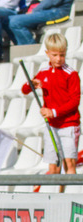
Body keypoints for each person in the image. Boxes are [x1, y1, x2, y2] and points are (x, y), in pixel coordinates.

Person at [22, 32, 80, 182]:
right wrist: (30, 84)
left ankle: (70, 195)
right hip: (51, 126)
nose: (59, 58)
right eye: (55, 55)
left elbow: (75, 101)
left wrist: (53, 112)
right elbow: (25, 90)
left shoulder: (71, 74)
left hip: (69, 125)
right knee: (53, 167)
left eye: (62, 55)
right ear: (47, 53)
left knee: (69, 164)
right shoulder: (43, 72)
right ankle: (55, 193)